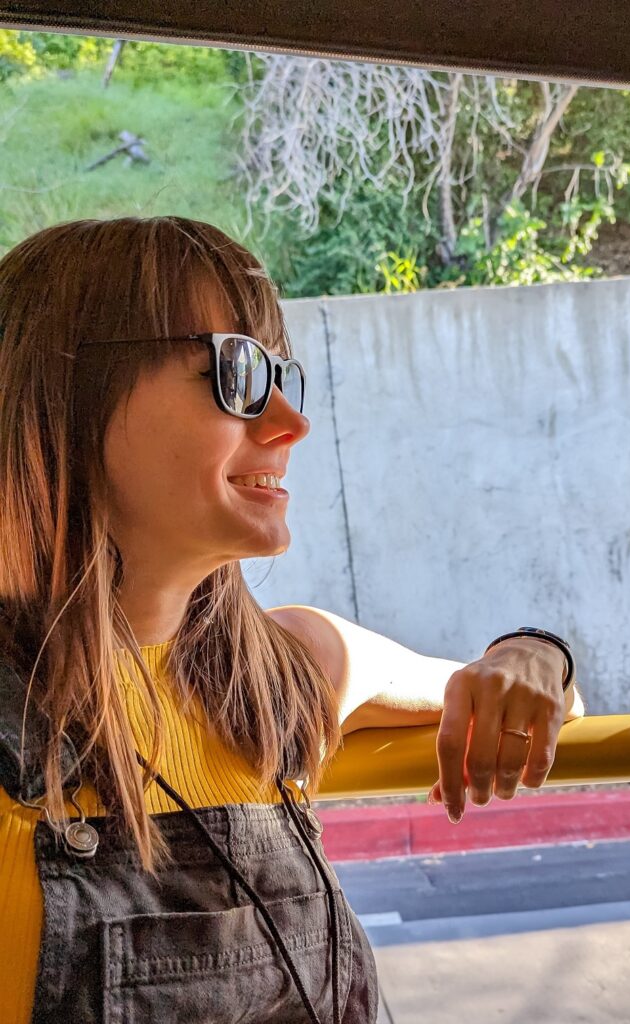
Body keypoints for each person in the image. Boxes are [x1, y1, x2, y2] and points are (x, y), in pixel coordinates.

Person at [0, 216, 585, 1024]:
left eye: (285, 376)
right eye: (237, 373)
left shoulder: (283, 667)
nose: (290, 423)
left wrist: (531, 653)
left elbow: (532, 708)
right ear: (64, 395)